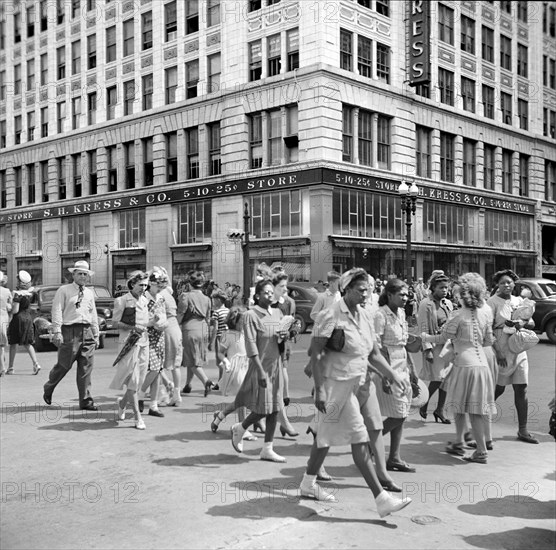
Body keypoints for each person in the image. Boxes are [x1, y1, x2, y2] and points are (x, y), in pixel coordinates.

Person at [298, 268, 411, 518]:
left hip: (355, 383)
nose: (365, 295)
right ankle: (381, 499)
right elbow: (314, 354)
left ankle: (307, 483)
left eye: (368, 290)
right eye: (360, 290)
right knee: (359, 437)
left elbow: (373, 354)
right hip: (334, 385)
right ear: (345, 289)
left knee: (323, 438)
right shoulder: (330, 315)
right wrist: (319, 391)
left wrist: (391, 375)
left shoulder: (365, 316)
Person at [422, 273, 496, 463]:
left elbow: (442, 337)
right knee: (475, 408)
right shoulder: (486, 313)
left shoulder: (458, 314)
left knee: (461, 406)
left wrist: (425, 337)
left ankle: (475, 448)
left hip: (464, 364)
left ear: (462, 294)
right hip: (482, 365)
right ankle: (465, 443)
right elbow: (488, 340)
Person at [230, 279, 291, 462]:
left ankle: (267, 448)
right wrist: (260, 371)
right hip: (261, 367)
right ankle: (240, 428)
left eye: (272, 292)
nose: (270, 295)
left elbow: (279, 339)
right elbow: (250, 345)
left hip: (276, 365)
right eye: (266, 292)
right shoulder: (251, 315)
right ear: (257, 296)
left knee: (275, 408)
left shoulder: (279, 312)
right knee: (264, 408)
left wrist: (286, 334)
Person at [487, 269, 538, 444]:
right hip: (501, 347)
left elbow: (531, 322)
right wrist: (498, 351)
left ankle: (523, 430)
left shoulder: (520, 301)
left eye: (509, 282)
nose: (506, 285)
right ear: (497, 285)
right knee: (498, 389)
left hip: (518, 346)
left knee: (521, 387)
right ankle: (480, 423)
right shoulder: (492, 302)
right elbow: (486, 329)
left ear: (514, 283)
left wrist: (521, 322)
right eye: (502, 283)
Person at [373, 278, 417, 473]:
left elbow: (404, 345)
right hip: (388, 368)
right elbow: (377, 348)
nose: (405, 298)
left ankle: (394, 457)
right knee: (399, 413)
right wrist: (384, 375)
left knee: (401, 413)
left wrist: (412, 371)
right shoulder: (380, 315)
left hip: (402, 367)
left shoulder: (400, 314)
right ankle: (368, 443)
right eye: (401, 294)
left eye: (407, 294)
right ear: (389, 294)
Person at [43, 261, 100, 410]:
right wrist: (57, 331)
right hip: (69, 331)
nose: (82, 276)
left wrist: (96, 334)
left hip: (87, 331)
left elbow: (92, 313)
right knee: (63, 365)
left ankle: (86, 400)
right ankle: (49, 387)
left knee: (86, 367)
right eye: (79, 273)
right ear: (73, 274)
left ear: (88, 277)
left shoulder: (89, 293)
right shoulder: (64, 290)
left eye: (85, 274)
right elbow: (56, 310)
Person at [110, 271, 151, 430]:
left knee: (139, 381)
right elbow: (114, 323)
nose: (144, 288)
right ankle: (137, 418)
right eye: (141, 285)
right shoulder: (122, 301)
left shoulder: (145, 301)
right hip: (128, 344)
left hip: (143, 344)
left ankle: (122, 404)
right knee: (132, 381)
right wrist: (131, 327)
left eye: (146, 285)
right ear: (132, 284)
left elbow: (146, 323)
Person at [210, 307, 257, 442]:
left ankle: (220, 416)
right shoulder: (228, 335)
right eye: (243, 321)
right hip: (235, 369)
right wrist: (225, 361)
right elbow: (220, 352)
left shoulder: (246, 334)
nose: (245, 324)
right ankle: (243, 429)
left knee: (243, 400)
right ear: (234, 321)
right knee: (242, 400)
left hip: (246, 367)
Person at [416, 270, 453, 424]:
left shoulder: (448, 303)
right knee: (438, 378)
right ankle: (424, 403)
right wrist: (427, 349)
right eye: (441, 288)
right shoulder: (426, 304)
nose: (444, 291)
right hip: (435, 344)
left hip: (448, 345)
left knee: (447, 379)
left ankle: (440, 410)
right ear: (433, 288)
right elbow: (423, 327)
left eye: (446, 288)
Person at [137, 271, 170, 418]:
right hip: (147, 337)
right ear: (150, 284)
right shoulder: (144, 298)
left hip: (159, 337)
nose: (160, 289)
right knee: (153, 370)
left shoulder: (161, 298)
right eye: (158, 286)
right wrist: (153, 322)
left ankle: (153, 405)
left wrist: (162, 322)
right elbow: (141, 320)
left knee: (157, 372)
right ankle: (140, 395)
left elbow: (164, 314)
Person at [271, 270, 299, 437]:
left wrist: (290, 332)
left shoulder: (287, 302)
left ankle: (284, 423)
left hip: (280, 347)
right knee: (255, 393)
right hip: (265, 350)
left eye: (285, 286)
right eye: (281, 286)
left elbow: (294, 322)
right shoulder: (263, 302)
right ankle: (231, 420)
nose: (285, 289)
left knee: (275, 390)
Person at [178, 270, 215, 396]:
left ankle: (206, 381)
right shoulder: (207, 299)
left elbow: (181, 314)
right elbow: (208, 318)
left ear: (189, 283)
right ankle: (188, 385)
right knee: (194, 358)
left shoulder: (185, 296)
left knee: (190, 359)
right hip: (203, 329)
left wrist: (175, 325)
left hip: (190, 329)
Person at [153, 267, 183, 407]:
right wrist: (165, 274)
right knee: (175, 364)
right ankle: (176, 394)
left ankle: (164, 391)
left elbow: (157, 315)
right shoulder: (169, 292)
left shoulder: (159, 296)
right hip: (175, 326)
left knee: (158, 362)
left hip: (166, 327)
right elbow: (169, 285)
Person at [6, 270, 40, 375]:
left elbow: (15, 310)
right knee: (27, 343)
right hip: (28, 317)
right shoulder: (31, 293)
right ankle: (36, 363)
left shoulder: (17, 294)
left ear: (20, 282)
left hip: (18, 319)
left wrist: (9, 309)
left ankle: (11, 367)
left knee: (13, 343)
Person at [209, 288, 230, 389]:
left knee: (220, 361)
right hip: (229, 337)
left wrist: (211, 342)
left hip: (220, 338)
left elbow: (215, 328)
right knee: (227, 359)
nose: (213, 301)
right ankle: (226, 381)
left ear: (218, 300)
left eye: (213, 299)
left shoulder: (216, 313)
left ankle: (220, 382)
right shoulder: (228, 311)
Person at [0, 272, 12, 376]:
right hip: (3, 318)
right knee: (2, 344)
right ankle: (2, 367)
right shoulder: (7, 291)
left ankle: (2, 367)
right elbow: (10, 307)